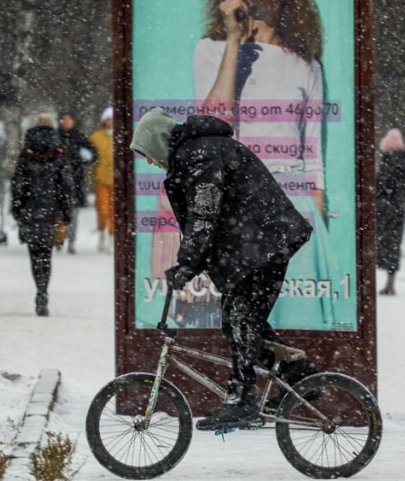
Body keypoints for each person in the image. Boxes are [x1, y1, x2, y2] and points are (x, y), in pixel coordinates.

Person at [160, 0, 339, 329]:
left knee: (296, 329)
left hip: (291, 211)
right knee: (235, 333)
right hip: (236, 210)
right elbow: (214, 125)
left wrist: (319, 235)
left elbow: (314, 161)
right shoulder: (210, 50)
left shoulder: (306, 64)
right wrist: (233, 37)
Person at [132, 108, 316, 431]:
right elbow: (205, 219)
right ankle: (299, 375)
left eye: (148, 153)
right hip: (258, 244)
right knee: (236, 321)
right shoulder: (196, 152)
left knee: (242, 319)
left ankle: (243, 401)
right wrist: (191, 261)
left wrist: (188, 264)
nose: (149, 161)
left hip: (264, 243)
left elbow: (205, 213)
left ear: (160, 141)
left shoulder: (200, 153)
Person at [13, 114, 73, 316]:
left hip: (30, 209)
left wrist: (17, 208)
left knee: (34, 253)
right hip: (51, 210)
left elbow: (18, 185)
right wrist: (66, 211)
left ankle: (38, 289)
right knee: (46, 255)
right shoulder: (59, 153)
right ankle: (43, 291)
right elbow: (66, 186)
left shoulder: (26, 154)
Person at [375, 129, 405, 295]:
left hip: (383, 210)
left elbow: (380, 187)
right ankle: (391, 282)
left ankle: (372, 283)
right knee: (394, 244)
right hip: (398, 210)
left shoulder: (388, 164)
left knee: (378, 244)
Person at [58, 112, 96, 254]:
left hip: (75, 180)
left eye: (68, 119)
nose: (66, 122)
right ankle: (60, 238)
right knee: (60, 212)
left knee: (73, 212)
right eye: (64, 119)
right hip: (58, 181)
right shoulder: (56, 136)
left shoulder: (78, 137)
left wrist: (83, 158)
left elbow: (92, 155)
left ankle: (71, 241)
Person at [88, 106, 115, 253]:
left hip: (116, 181)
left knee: (114, 212)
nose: (111, 122)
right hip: (101, 180)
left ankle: (111, 239)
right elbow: (89, 155)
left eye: (113, 120)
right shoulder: (95, 137)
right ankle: (102, 234)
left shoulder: (122, 136)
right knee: (103, 211)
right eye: (108, 120)